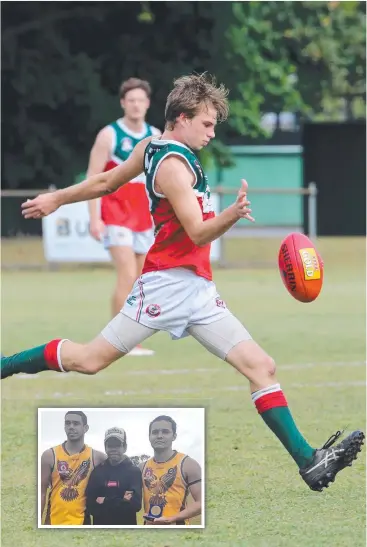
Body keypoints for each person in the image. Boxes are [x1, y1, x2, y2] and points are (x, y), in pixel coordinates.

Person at [3, 73, 364, 493]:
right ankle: (5, 365)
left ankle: (310, 462)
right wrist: (231, 214)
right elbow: (195, 231)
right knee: (88, 360)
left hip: (196, 290)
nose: (212, 133)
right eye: (207, 124)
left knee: (261, 367)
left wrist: (57, 198)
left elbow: (107, 181)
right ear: (181, 118)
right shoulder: (173, 167)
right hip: (163, 288)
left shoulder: (152, 146)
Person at [87, 77, 160, 357]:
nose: (136, 105)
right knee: (127, 275)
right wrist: (95, 217)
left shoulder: (154, 135)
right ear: (122, 103)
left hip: (144, 216)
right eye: (131, 100)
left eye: (141, 100)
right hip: (116, 214)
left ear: (148, 104)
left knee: (141, 279)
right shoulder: (109, 135)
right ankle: (117, 342)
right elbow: (93, 177)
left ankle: (132, 339)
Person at [40, 411, 106, 525]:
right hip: (53, 520)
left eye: (76, 423)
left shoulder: (97, 457)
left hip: (82, 522)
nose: (71, 427)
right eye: (68, 423)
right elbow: (41, 493)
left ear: (85, 428)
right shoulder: (50, 455)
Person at [141, 415, 201, 526]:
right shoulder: (142, 467)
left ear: (174, 436)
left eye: (165, 432)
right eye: (155, 432)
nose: (159, 436)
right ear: (149, 436)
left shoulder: (188, 464)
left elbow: (201, 502)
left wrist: (172, 518)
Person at [85, 427, 142, 526]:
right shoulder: (97, 472)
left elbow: (135, 505)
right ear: (105, 447)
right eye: (110, 445)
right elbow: (91, 507)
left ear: (125, 447)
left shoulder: (134, 472)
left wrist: (104, 501)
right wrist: (122, 500)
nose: (113, 449)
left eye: (117, 445)